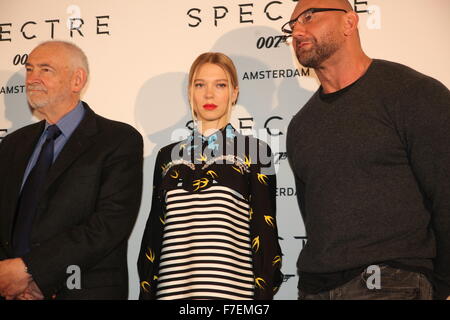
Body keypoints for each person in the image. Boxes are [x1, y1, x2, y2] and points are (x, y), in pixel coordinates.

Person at [284, 0, 450, 300]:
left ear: (349, 22)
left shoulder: (413, 93)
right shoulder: (300, 126)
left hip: (392, 281)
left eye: (309, 17)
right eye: (292, 25)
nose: (297, 30)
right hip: (314, 287)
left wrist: (443, 285)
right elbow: (314, 218)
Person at [0, 41, 143, 300]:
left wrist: (33, 272)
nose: (32, 79)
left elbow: (109, 223)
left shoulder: (118, 140)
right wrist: (9, 277)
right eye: (29, 69)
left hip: (82, 291)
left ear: (77, 80)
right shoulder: (12, 144)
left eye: (45, 70)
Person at [138, 52, 283, 300]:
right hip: (170, 295)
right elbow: (153, 236)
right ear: (190, 92)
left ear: (234, 93)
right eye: (200, 84)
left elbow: (265, 235)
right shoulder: (166, 156)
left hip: (232, 295)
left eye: (220, 85)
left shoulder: (256, 152)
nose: (209, 94)